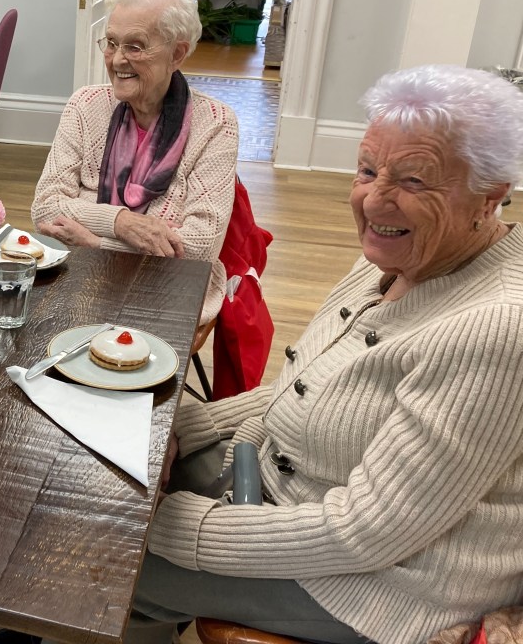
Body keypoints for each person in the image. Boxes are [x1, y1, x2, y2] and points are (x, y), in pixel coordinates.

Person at [124, 64, 523, 644]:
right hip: (279, 482)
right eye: (367, 170)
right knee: (113, 470)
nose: (374, 200)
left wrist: (175, 529)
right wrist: (185, 428)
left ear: (491, 196)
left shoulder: (496, 327)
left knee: (100, 556)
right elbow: (310, 386)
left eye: (414, 181)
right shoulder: (394, 255)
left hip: (380, 583)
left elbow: (369, 531)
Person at [31, 0, 238, 326]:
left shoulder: (215, 124)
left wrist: (97, 245)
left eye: (136, 47)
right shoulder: (85, 105)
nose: (117, 60)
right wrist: (120, 222)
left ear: (176, 54)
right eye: (112, 43)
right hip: (74, 275)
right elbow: (46, 207)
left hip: (168, 288)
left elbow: (198, 248)